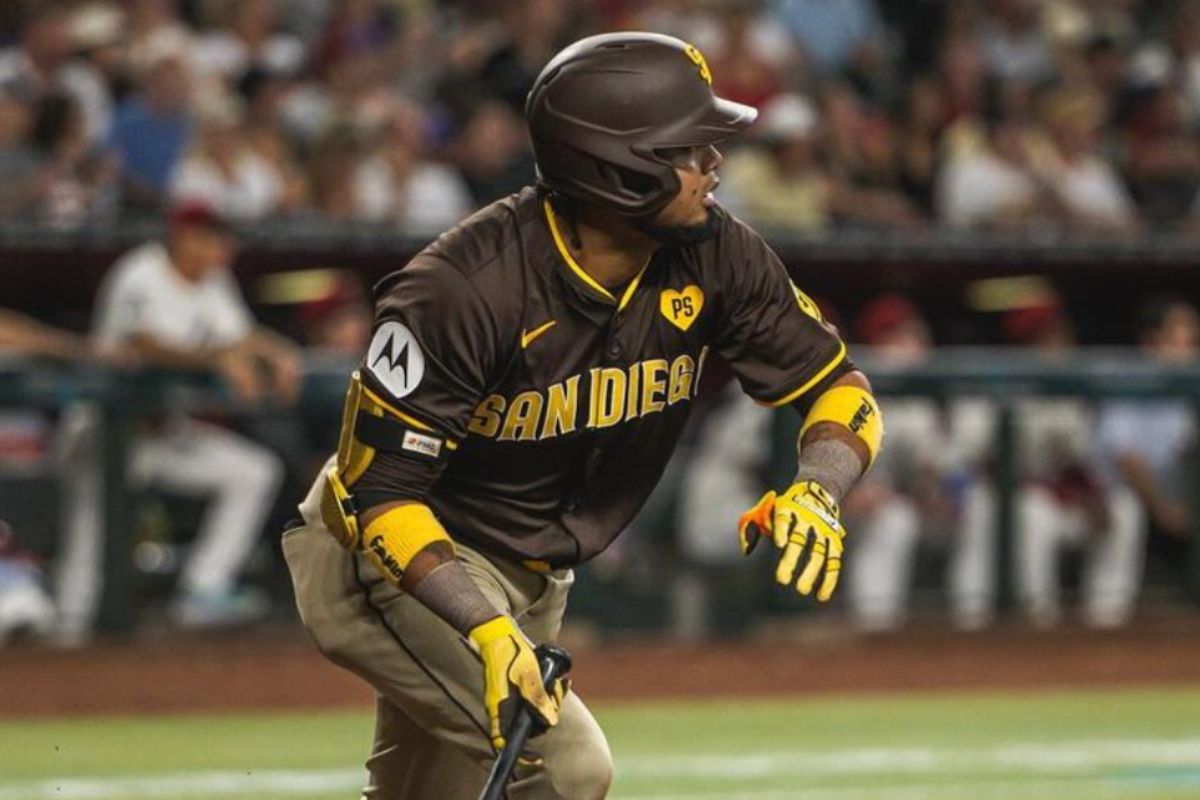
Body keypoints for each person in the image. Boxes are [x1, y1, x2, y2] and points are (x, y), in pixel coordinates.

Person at [282, 32, 883, 799]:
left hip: (531, 569)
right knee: (566, 769)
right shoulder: (463, 288)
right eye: (688, 148)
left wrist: (820, 486)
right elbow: (383, 496)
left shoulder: (717, 252)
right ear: (618, 168)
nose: (713, 164)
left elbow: (840, 386)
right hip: (396, 554)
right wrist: (488, 629)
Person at [54, 202, 295, 642]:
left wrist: (278, 352)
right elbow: (144, 342)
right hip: (107, 432)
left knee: (252, 471)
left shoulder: (213, 282)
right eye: (215, 238)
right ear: (185, 237)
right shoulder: (140, 272)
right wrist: (216, 358)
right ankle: (67, 643)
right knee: (89, 540)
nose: (226, 248)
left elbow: (240, 335)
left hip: (167, 434)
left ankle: (203, 589)